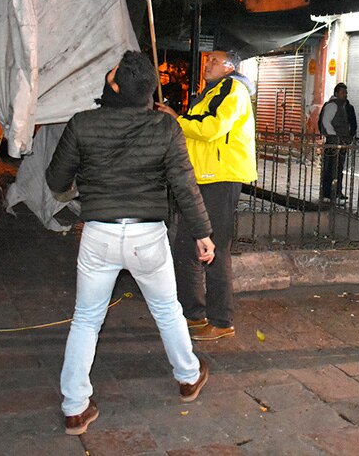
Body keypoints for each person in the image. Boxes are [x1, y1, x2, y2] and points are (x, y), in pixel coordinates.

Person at [45, 51, 215, 436]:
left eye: (113, 74)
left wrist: (79, 186)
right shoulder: (164, 127)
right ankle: (188, 377)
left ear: (116, 86)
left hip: (99, 234)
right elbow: (184, 186)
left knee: (87, 319)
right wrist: (203, 233)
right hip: (147, 236)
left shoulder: (83, 124)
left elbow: (56, 182)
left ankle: (75, 407)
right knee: (167, 310)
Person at [156, 50, 257, 342]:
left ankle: (221, 320)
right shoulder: (210, 92)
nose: (207, 64)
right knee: (186, 246)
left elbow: (213, 127)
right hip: (201, 178)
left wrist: (177, 119)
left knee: (214, 249)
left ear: (229, 67)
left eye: (213, 60)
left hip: (221, 178)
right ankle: (192, 314)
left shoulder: (232, 88)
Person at [318, 82, 357, 202]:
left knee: (338, 168)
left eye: (346, 92)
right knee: (330, 167)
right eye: (343, 92)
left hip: (340, 141)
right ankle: (328, 193)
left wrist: (348, 136)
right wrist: (334, 135)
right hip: (334, 141)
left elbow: (351, 123)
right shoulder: (333, 105)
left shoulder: (344, 106)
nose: (345, 94)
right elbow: (325, 122)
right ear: (336, 93)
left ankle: (335, 192)